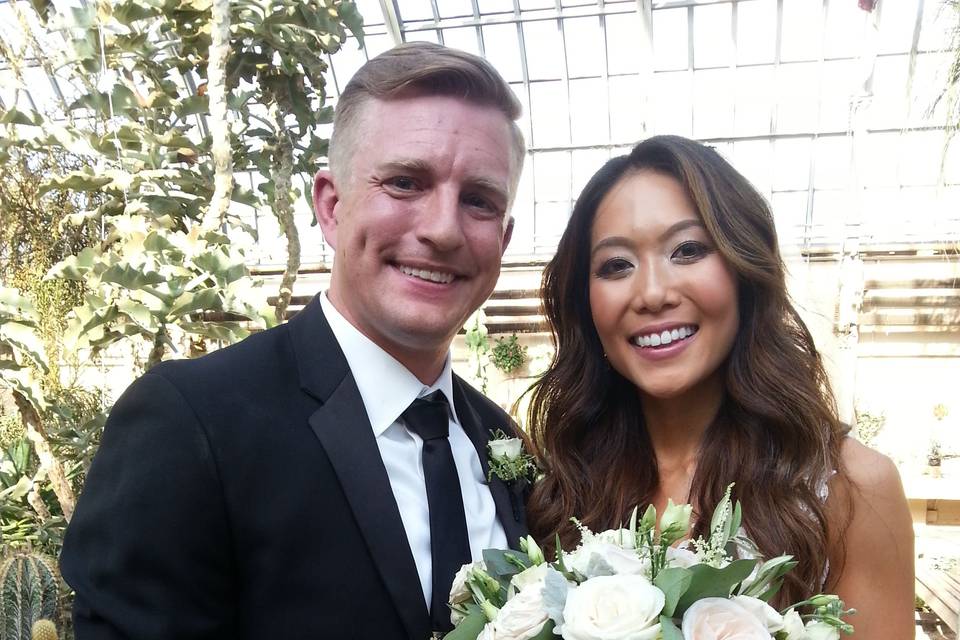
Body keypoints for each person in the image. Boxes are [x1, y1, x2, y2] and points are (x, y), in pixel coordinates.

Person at [61, 42, 527, 639]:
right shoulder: (192, 423)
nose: (442, 229)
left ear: (504, 238)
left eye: (479, 201)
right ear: (331, 207)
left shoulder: (502, 443)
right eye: (407, 182)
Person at [524, 135, 914, 639]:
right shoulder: (560, 484)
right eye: (616, 265)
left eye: (687, 250)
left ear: (743, 271)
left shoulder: (852, 488)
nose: (652, 293)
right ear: (586, 303)